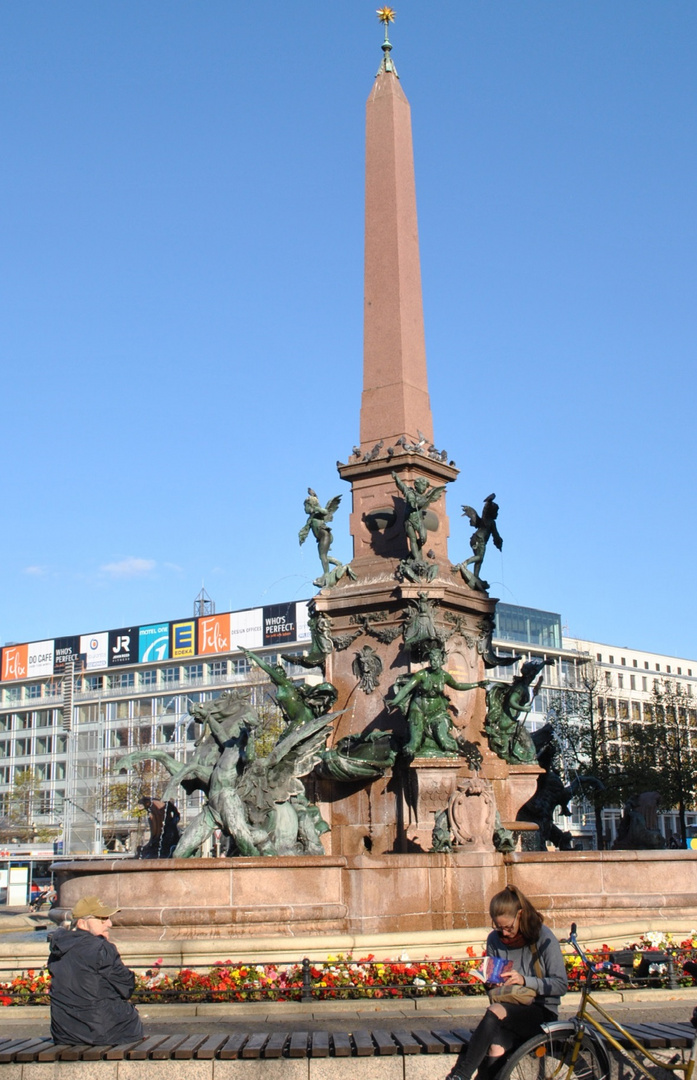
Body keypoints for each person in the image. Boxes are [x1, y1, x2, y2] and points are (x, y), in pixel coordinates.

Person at [445, 885, 567, 1080]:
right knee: (496, 1047)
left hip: (541, 1012)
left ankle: (460, 1075)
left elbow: (561, 985)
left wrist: (525, 980)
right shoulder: (494, 940)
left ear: (520, 915)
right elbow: (494, 986)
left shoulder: (543, 937)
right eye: (499, 927)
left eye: (508, 927)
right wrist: (491, 983)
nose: (504, 933)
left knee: (496, 1012)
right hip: (508, 1010)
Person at [48, 895, 144, 1045]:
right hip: (102, 1032)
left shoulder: (58, 947)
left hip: (64, 1032)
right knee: (131, 1018)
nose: (109, 924)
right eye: (102, 919)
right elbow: (127, 987)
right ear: (82, 923)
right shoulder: (101, 948)